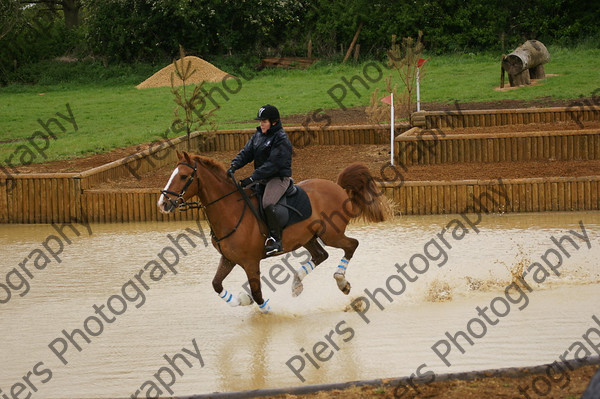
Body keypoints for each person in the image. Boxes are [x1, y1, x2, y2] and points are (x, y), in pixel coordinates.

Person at [227, 104, 292, 256]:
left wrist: (252, 177)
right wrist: (234, 166)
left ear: (274, 122)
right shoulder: (258, 135)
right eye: (260, 121)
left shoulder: (281, 138)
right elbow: (246, 153)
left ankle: (277, 241)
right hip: (262, 178)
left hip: (278, 178)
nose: (261, 124)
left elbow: (273, 165)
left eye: (264, 121)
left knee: (267, 202)